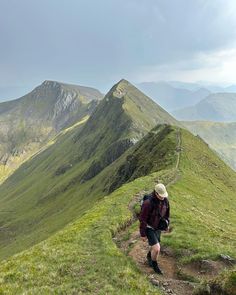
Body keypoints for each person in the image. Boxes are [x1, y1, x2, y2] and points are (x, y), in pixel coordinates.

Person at [139, 183, 170, 274]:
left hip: (158, 227)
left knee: (155, 245)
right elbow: (143, 219)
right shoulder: (147, 203)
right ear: (156, 193)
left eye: (164, 195)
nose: (163, 197)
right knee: (157, 248)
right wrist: (143, 234)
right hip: (149, 227)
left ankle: (149, 257)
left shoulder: (165, 201)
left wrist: (167, 224)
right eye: (161, 196)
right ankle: (155, 265)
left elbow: (167, 214)